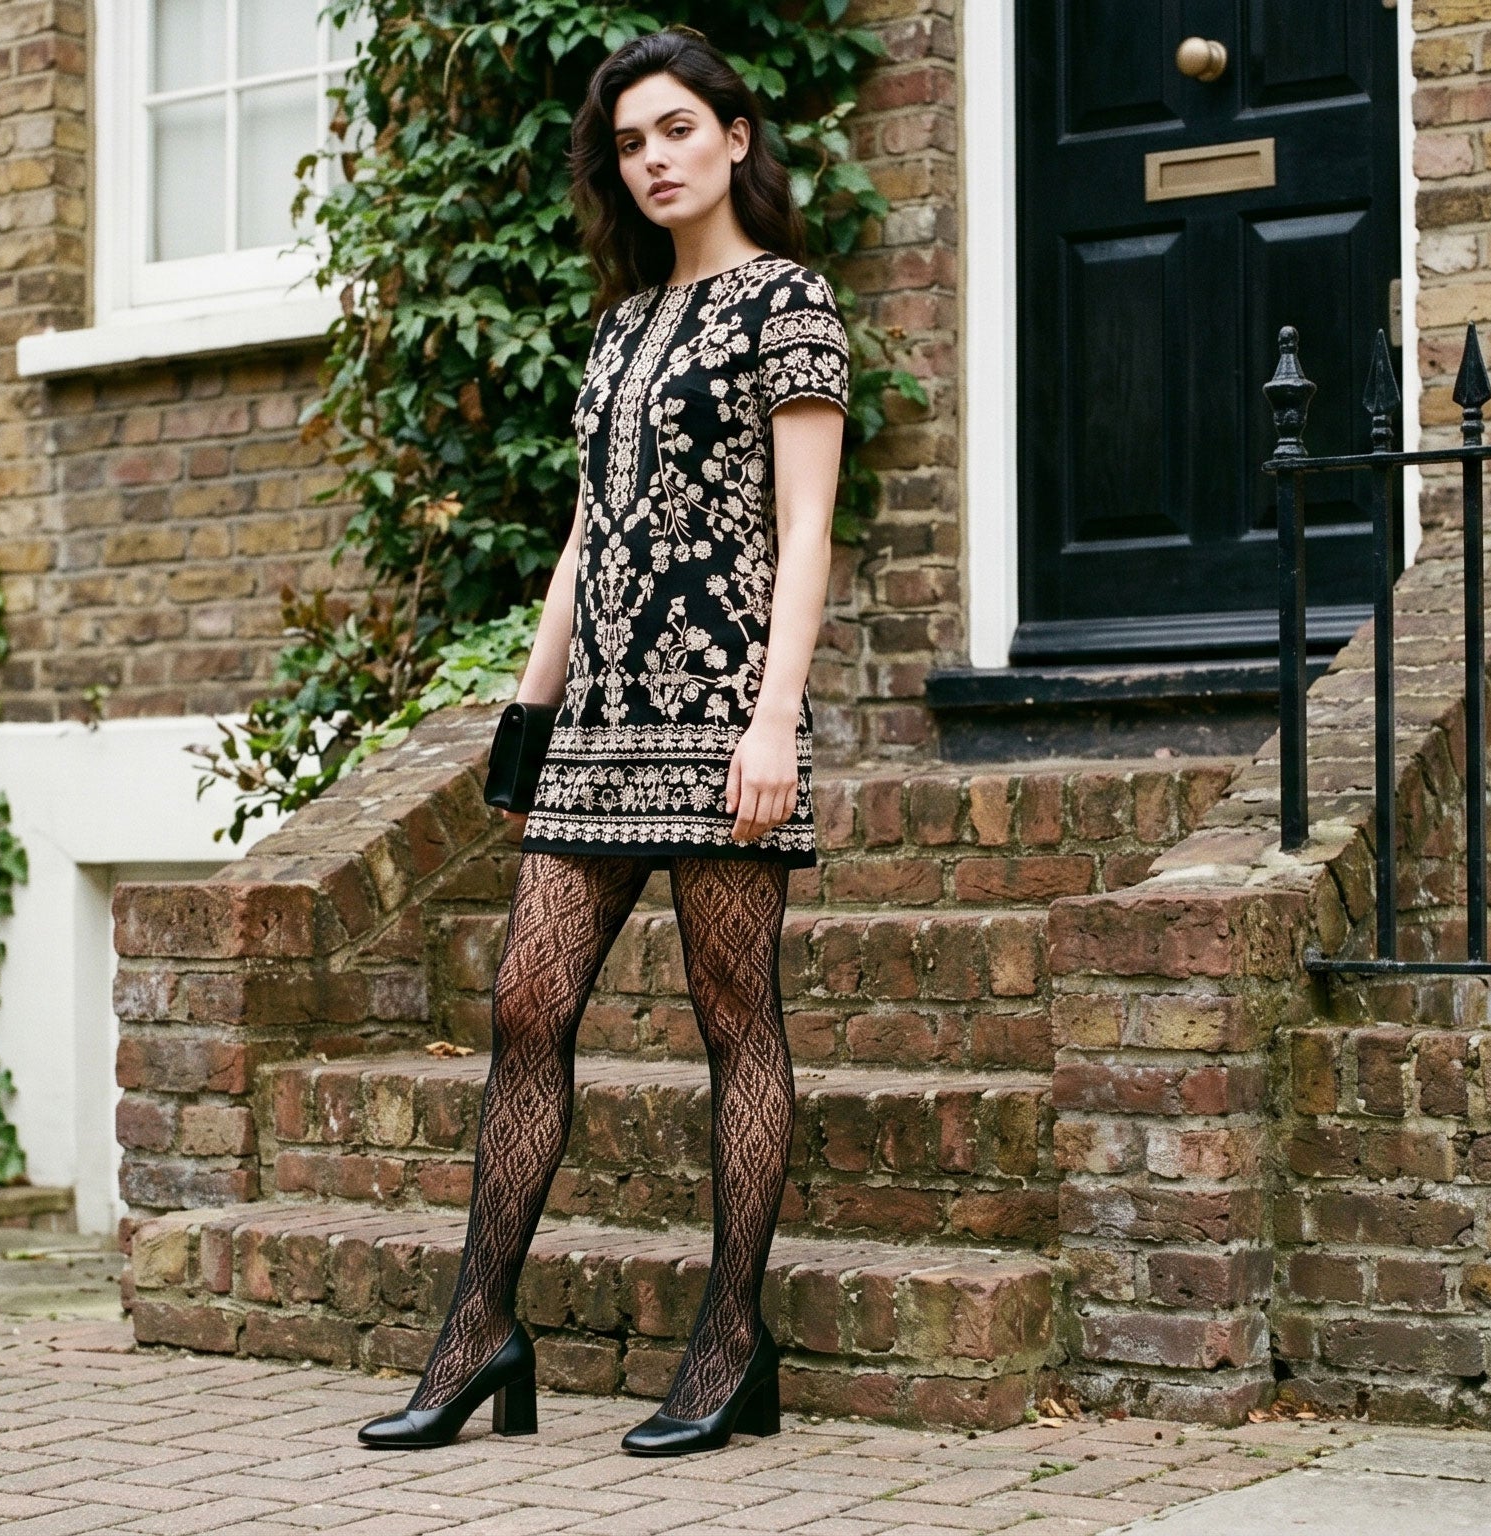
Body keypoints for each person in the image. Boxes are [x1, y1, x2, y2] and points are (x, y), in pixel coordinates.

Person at [356, 27, 851, 1458]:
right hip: (599, 722)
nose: (654, 159)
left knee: (735, 1019)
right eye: (631, 143)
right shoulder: (621, 327)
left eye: (678, 129)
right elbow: (588, 536)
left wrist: (775, 721)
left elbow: (807, 528)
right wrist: (527, 714)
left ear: (737, 137)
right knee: (527, 1004)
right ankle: (479, 1331)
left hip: (720, 712)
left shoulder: (789, 303)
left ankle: (731, 1343)